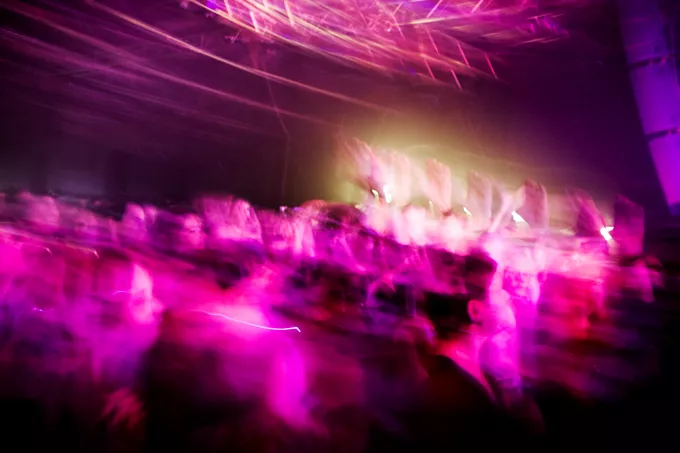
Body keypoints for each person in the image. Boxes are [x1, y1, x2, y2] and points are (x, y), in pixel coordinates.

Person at [403, 250, 532, 451]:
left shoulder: (478, 374)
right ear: (475, 311)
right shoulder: (446, 395)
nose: (505, 301)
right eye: (496, 292)